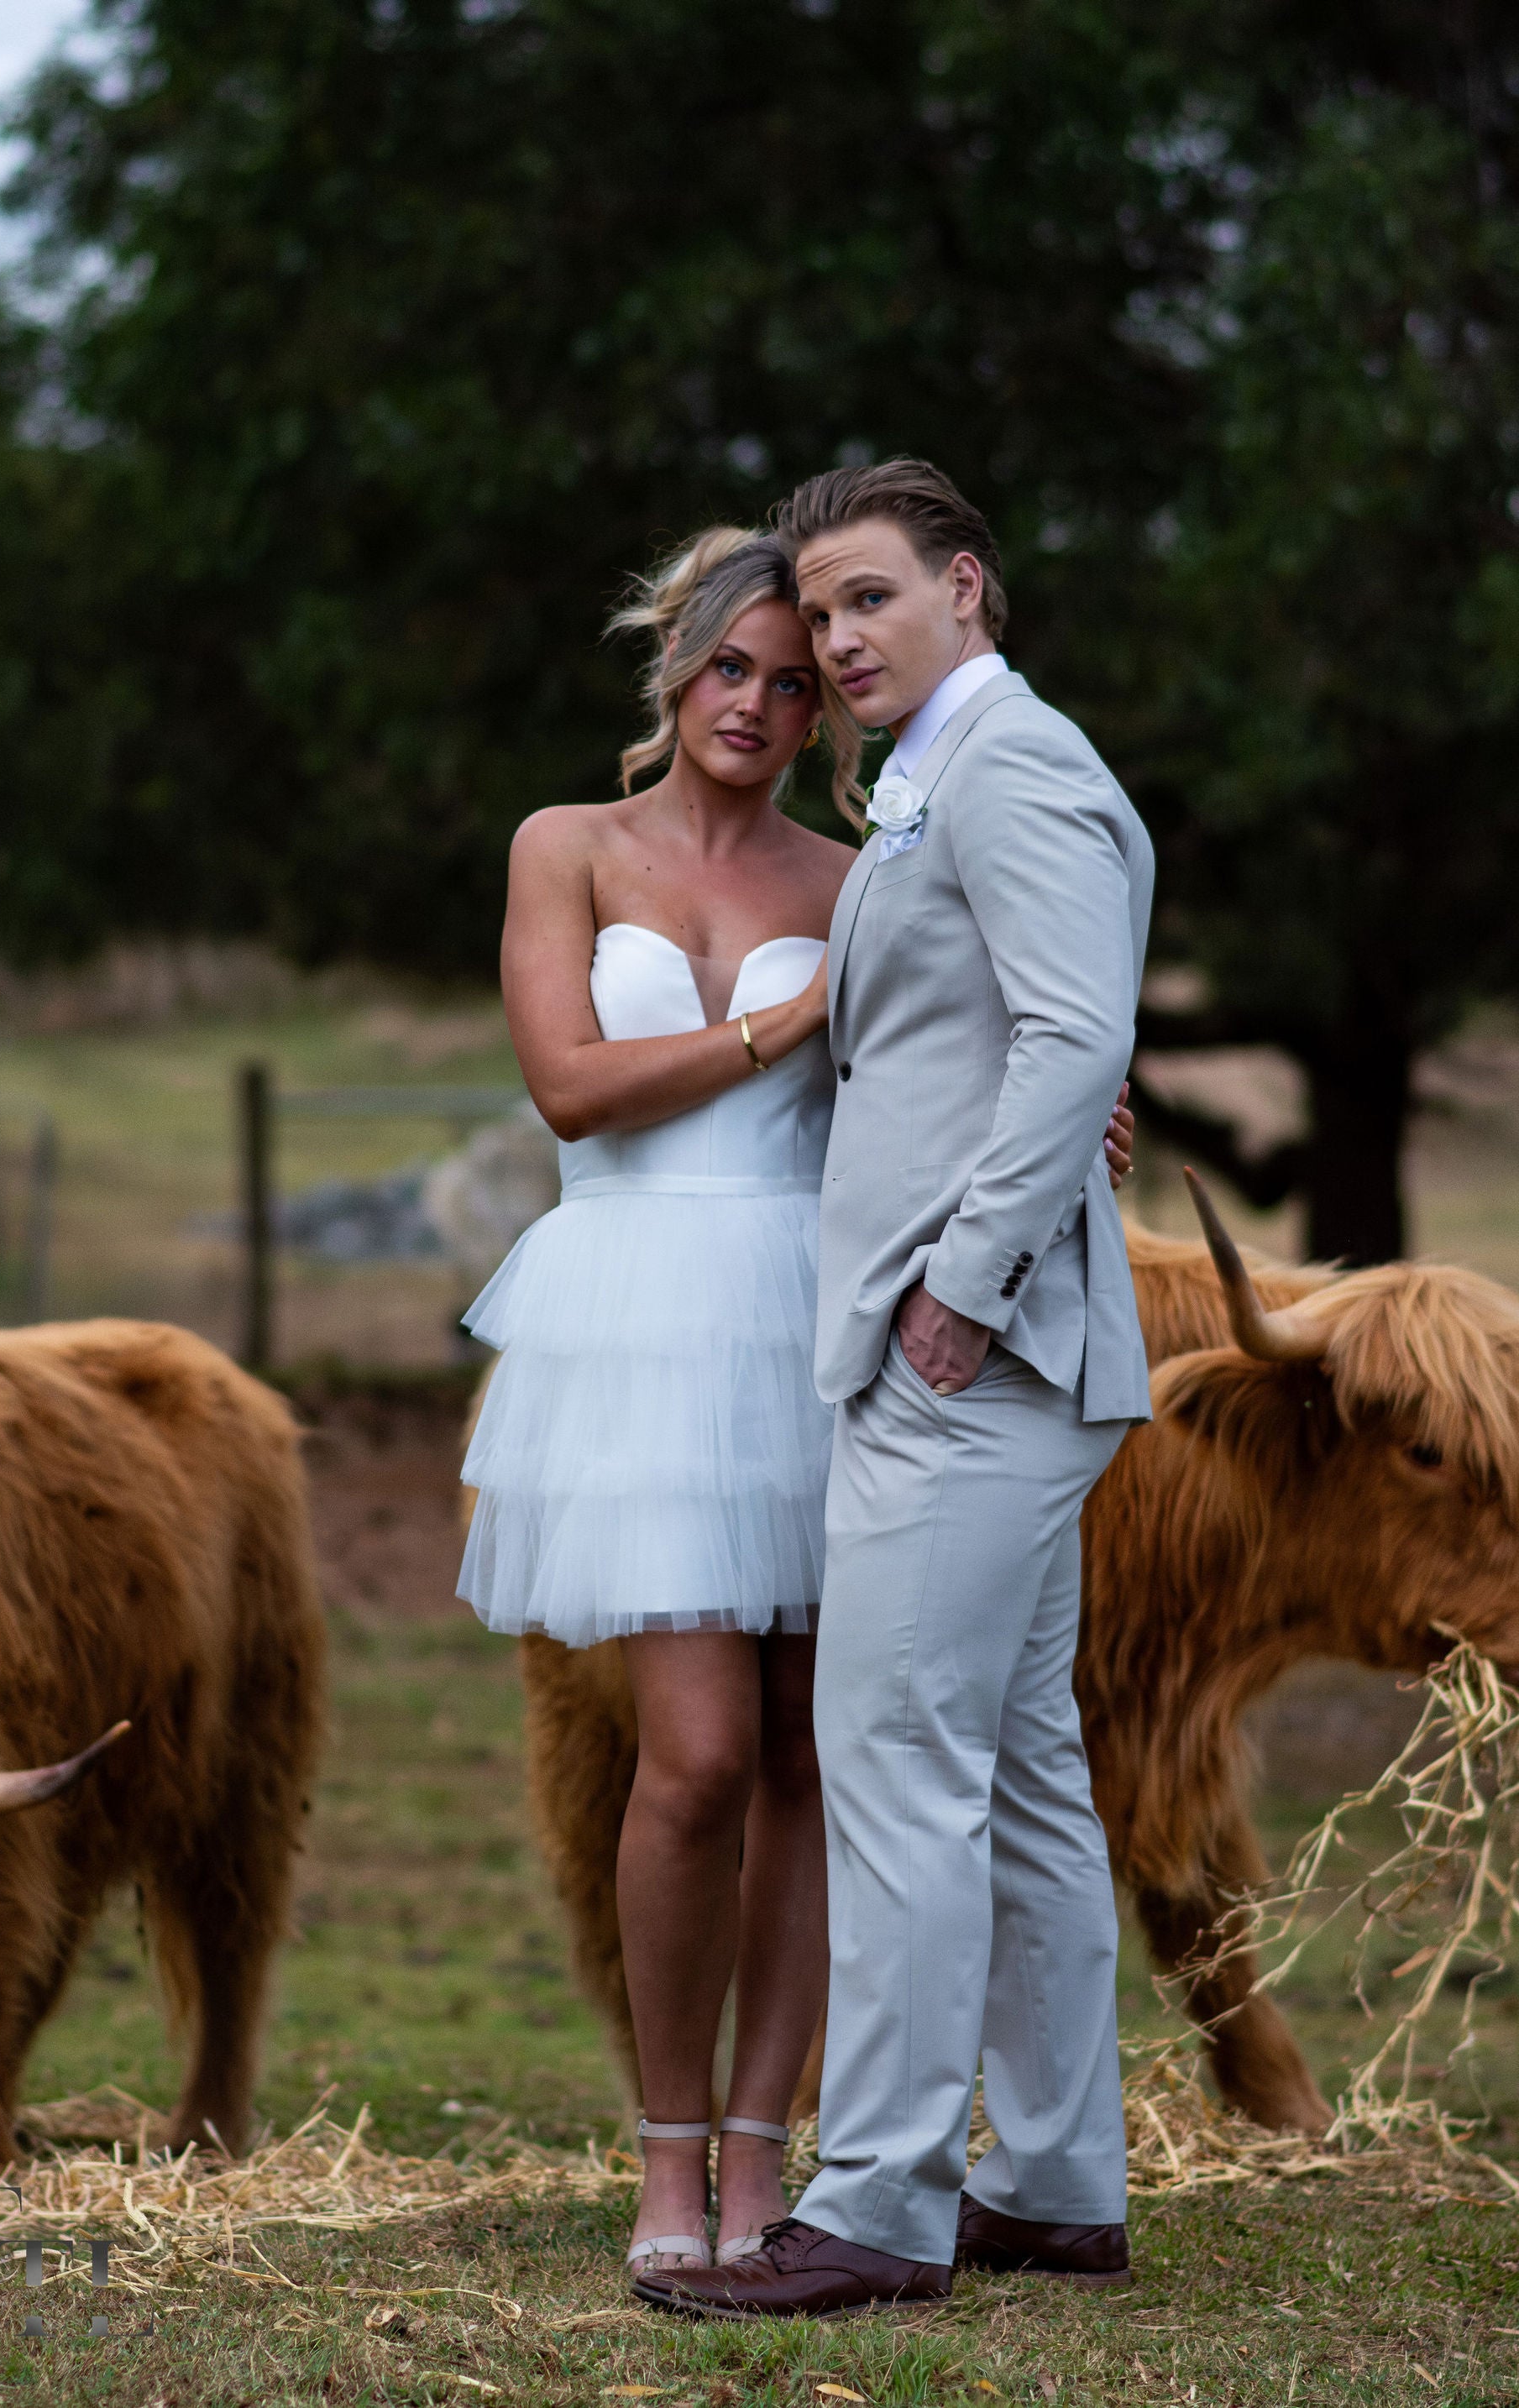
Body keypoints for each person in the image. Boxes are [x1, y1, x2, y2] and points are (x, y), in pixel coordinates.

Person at [458, 521, 1135, 2284]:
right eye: (728, 666)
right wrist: (790, 1020)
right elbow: (569, 1089)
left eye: (788, 674)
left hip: (818, 1310)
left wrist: (1073, 1114)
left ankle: (769, 2155)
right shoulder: (564, 847)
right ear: (673, 669)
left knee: (818, 1761)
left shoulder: (859, 871)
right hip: (642, 1319)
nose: (756, 700)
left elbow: (965, 1047)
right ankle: (667, 2154)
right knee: (691, 1759)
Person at [638, 458, 1154, 2321]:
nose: (841, 640)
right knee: (1015, 1777)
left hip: (974, 1358)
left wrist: (961, 1283)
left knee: (897, 1769)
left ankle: (872, 2206)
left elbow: (1076, 1034)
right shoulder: (938, 776)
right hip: (990, 1355)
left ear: (966, 590)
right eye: (823, 612)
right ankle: (1061, 2183)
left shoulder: (1009, 765)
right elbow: (1011, 1038)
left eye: (872, 599)